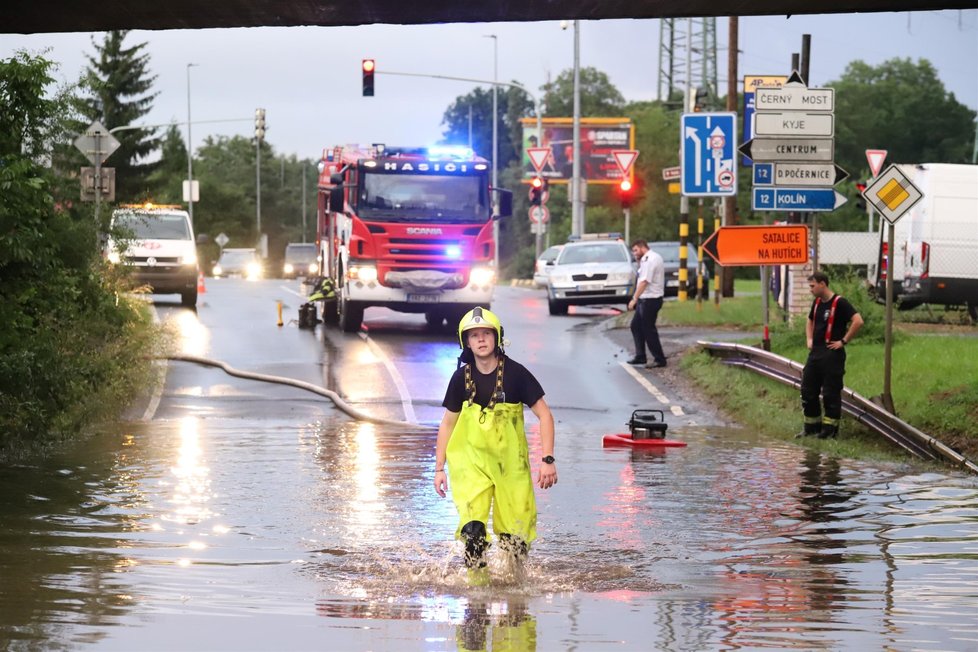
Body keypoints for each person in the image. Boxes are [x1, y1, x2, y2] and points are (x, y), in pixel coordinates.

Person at [433, 307, 557, 569]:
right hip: (471, 465)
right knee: (473, 533)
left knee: (516, 539)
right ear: (465, 341)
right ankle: (476, 594)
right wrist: (439, 468)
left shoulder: (517, 374)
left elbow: (545, 416)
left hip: (510, 466)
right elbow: (447, 423)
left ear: (497, 337)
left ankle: (516, 596)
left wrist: (547, 460)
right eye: (474, 335)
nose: (481, 339)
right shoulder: (460, 379)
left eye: (486, 333)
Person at [799, 271, 864, 439]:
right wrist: (809, 339)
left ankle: (829, 431)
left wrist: (843, 341)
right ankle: (811, 428)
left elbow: (858, 321)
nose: (810, 290)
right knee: (808, 389)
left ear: (823, 284)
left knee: (830, 393)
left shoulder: (840, 302)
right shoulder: (817, 302)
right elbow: (810, 320)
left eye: (813, 286)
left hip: (832, 354)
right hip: (816, 353)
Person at [627, 240, 667, 369]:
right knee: (636, 326)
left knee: (648, 329)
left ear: (642, 247)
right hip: (647, 299)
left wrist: (634, 299)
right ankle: (640, 356)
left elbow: (644, 282)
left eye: (635, 250)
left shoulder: (649, 260)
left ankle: (659, 359)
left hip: (650, 299)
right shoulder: (651, 258)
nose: (634, 253)